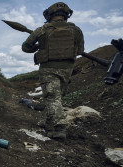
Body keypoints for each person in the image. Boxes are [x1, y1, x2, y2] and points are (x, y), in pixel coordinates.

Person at [21, 2, 84, 140]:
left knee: (52, 97)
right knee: (56, 97)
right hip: (67, 69)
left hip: (48, 69)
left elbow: (25, 47)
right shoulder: (76, 30)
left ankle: (59, 128)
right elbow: (80, 50)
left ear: (49, 15)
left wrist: (38, 46)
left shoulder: (42, 30)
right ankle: (49, 123)